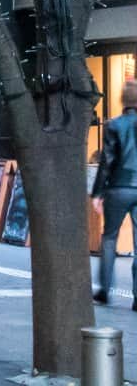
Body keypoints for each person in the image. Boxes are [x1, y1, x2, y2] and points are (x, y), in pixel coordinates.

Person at [95, 80, 137, 305]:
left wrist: (97, 193)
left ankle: (104, 290)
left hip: (118, 188)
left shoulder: (114, 125)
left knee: (110, 237)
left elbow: (107, 162)